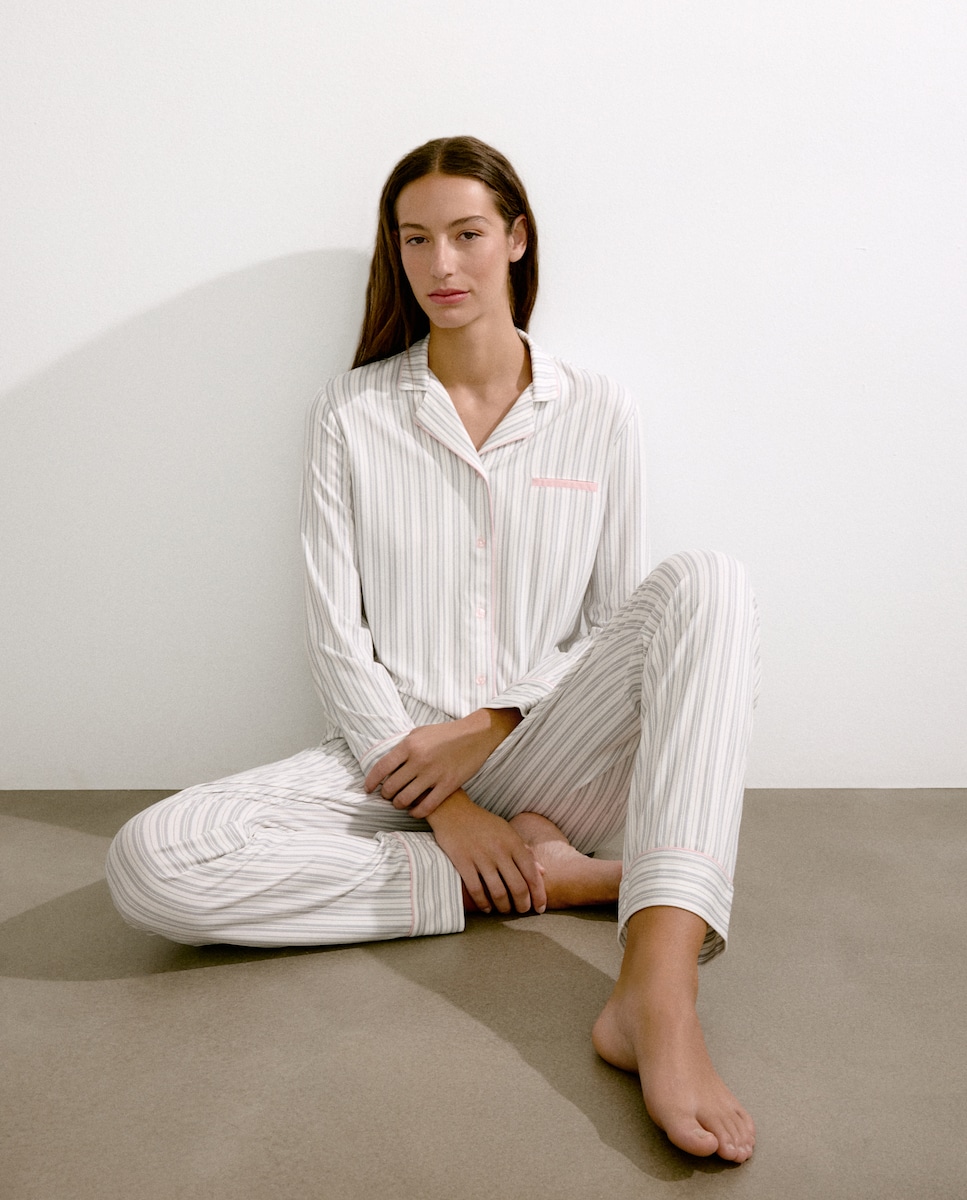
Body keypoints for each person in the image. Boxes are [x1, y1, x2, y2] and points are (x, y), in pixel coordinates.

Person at [106, 136, 760, 1163]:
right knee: (154, 862)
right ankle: (556, 880)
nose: (440, 265)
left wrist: (494, 723)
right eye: (415, 240)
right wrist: (445, 811)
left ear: (516, 238)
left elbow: (608, 626)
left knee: (707, 581)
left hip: (555, 755)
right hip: (393, 758)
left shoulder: (597, 409)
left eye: (465, 234)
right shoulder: (351, 413)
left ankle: (658, 997)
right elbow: (337, 641)